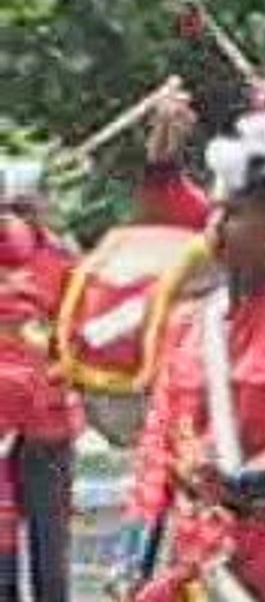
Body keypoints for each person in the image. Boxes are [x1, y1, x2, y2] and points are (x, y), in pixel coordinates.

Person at [115, 129, 265, 602]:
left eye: (237, 213)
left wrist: (254, 481)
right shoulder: (190, 323)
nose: (219, 227)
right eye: (216, 212)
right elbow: (159, 441)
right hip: (195, 551)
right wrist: (135, 546)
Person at [0, 157, 82, 602]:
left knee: (49, 551)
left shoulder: (63, 261)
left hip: (45, 422)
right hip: (25, 419)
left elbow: (81, 334)